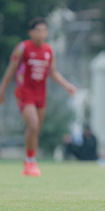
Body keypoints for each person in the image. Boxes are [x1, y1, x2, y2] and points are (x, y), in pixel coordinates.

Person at [0, 17, 77, 176]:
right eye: (38, 30)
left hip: (40, 94)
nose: (41, 34)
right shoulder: (23, 48)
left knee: (36, 129)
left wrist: (67, 86)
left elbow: (53, 73)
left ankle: (31, 160)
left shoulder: (49, 50)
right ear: (31, 32)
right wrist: (2, 89)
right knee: (33, 124)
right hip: (25, 92)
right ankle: (29, 162)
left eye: (44, 30)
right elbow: (11, 70)